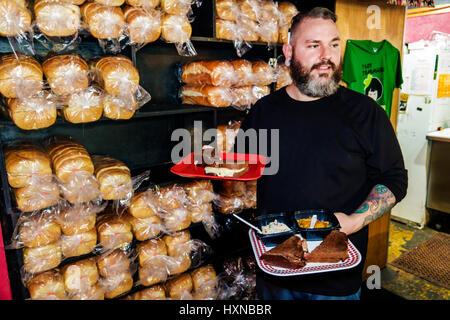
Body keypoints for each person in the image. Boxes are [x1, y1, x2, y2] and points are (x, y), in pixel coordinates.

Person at [233, 7, 408, 300]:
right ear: (288, 52)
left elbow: (394, 180)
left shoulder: (366, 113)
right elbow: (243, 171)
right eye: (314, 45)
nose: (326, 55)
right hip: (275, 271)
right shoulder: (263, 111)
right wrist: (214, 164)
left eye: (334, 44)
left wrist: (354, 221)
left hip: (335, 280)